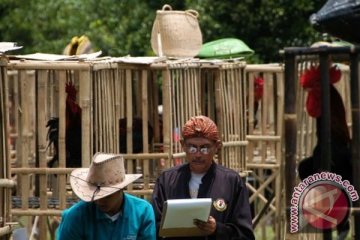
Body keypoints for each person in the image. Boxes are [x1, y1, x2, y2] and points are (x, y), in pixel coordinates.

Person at [151, 115, 255, 240]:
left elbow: (245, 234)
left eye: (205, 148)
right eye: (192, 148)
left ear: (216, 146)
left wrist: (217, 229)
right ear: (183, 145)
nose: (198, 154)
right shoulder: (167, 180)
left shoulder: (232, 181)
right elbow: (153, 228)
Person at [57, 152, 156, 240]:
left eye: (107, 196)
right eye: (96, 196)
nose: (100, 201)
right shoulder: (75, 217)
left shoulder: (142, 212)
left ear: (121, 189)